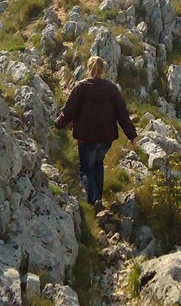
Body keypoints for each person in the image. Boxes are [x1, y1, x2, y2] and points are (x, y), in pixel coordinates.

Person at [54, 56, 138, 208]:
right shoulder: (112, 89)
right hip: (106, 139)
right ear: (103, 69)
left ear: (88, 68)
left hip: (86, 138)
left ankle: (94, 201)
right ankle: (98, 197)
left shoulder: (80, 88)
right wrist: (132, 135)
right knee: (98, 165)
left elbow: (68, 112)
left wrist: (57, 124)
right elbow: (122, 114)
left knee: (86, 170)